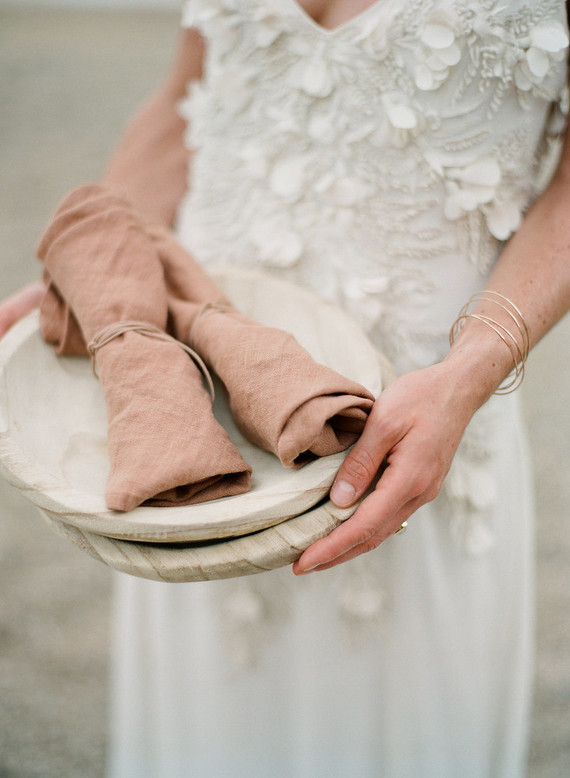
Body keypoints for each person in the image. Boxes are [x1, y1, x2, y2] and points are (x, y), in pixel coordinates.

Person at [2, 1, 570, 776]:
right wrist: (105, 275)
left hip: (416, 417)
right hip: (191, 414)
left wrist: (469, 373)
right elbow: (187, 96)